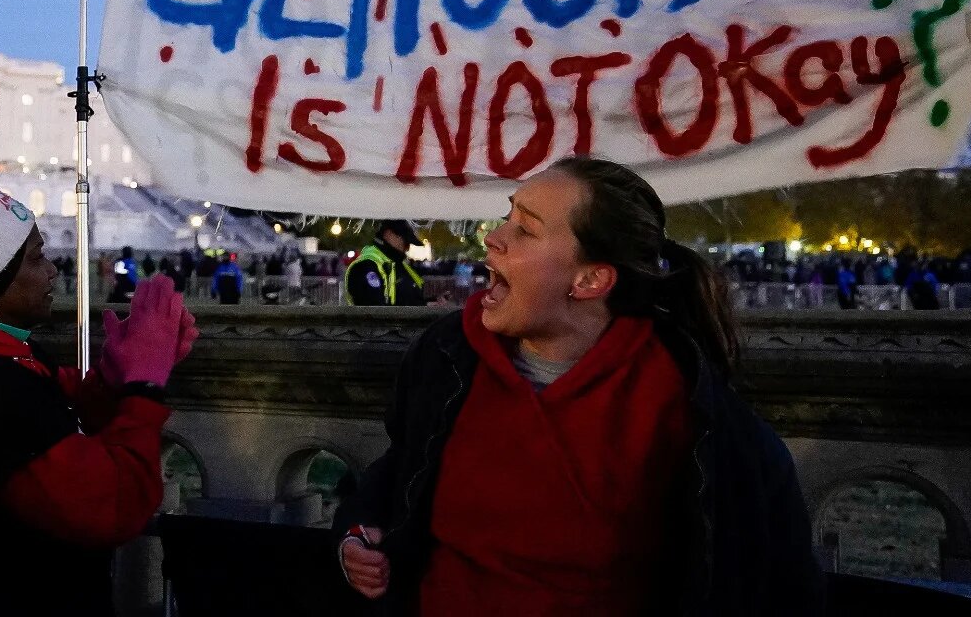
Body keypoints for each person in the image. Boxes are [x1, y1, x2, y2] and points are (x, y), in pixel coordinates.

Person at [335, 157, 822, 616]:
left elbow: (766, 579)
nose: (493, 239)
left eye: (525, 228)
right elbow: (401, 470)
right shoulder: (445, 359)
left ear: (590, 280)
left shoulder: (691, 409)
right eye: (506, 217)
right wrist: (357, 535)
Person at [0, 184, 196, 616]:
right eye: (36, 258)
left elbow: (52, 416)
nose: (53, 271)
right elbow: (112, 504)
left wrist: (113, 379)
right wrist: (144, 386)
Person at [347, 219, 426, 306]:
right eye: (405, 241)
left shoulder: (400, 265)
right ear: (389, 235)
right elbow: (373, 308)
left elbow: (413, 298)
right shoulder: (365, 267)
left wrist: (429, 305)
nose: (407, 248)